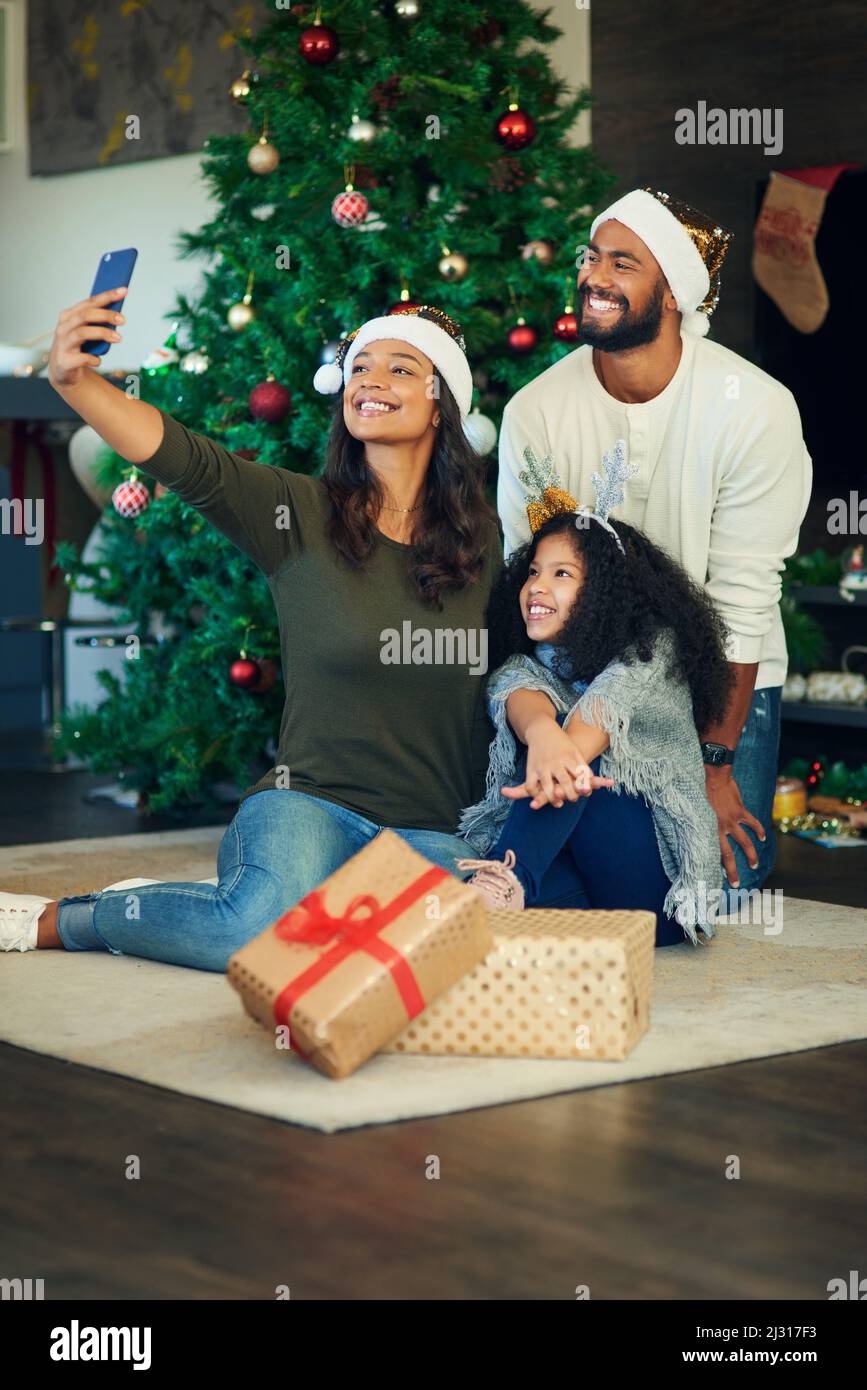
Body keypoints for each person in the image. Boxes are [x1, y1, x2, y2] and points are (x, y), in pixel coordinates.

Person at [0, 296, 501, 969]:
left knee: (446, 941)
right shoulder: (296, 512)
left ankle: (260, 898)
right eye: (359, 367)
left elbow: (526, 673)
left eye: (401, 368)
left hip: (431, 830)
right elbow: (180, 456)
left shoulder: (485, 546)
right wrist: (74, 382)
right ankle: (78, 917)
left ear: (442, 404)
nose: (370, 380)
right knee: (250, 937)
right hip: (309, 806)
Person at [497, 187, 812, 903]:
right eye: (590, 257)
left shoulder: (754, 409)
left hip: (717, 680)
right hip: (585, 669)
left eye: (621, 263)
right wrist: (551, 721)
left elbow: (741, 600)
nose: (593, 277)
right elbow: (532, 589)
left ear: (671, 294)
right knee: (573, 869)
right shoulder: (535, 411)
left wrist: (714, 763)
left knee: (717, 891)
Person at [457, 442, 735, 945]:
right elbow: (518, 694)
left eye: (562, 574)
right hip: (587, 888)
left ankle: (505, 877)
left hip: (656, 893)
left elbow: (589, 729)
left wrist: (551, 743)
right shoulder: (531, 661)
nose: (537, 587)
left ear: (605, 592)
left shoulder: (651, 651)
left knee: (580, 765)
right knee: (463, 907)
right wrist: (540, 732)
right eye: (534, 572)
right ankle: (503, 893)